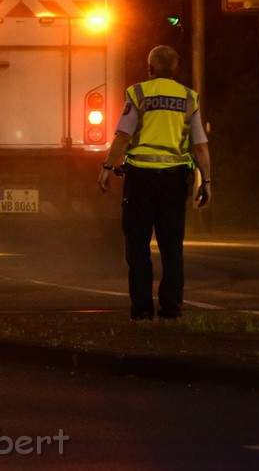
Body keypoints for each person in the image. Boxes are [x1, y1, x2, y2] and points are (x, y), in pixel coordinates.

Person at [98, 45, 211, 320]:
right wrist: (206, 181)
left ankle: (142, 309)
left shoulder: (138, 93)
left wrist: (107, 166)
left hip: (140, 180)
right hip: (174, 182)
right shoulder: (188, 98)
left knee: (137, 246)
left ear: (149, 69)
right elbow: (200, 147)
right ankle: (172, 307)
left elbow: (124, 136)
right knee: (172, 246)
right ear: (176, 70)